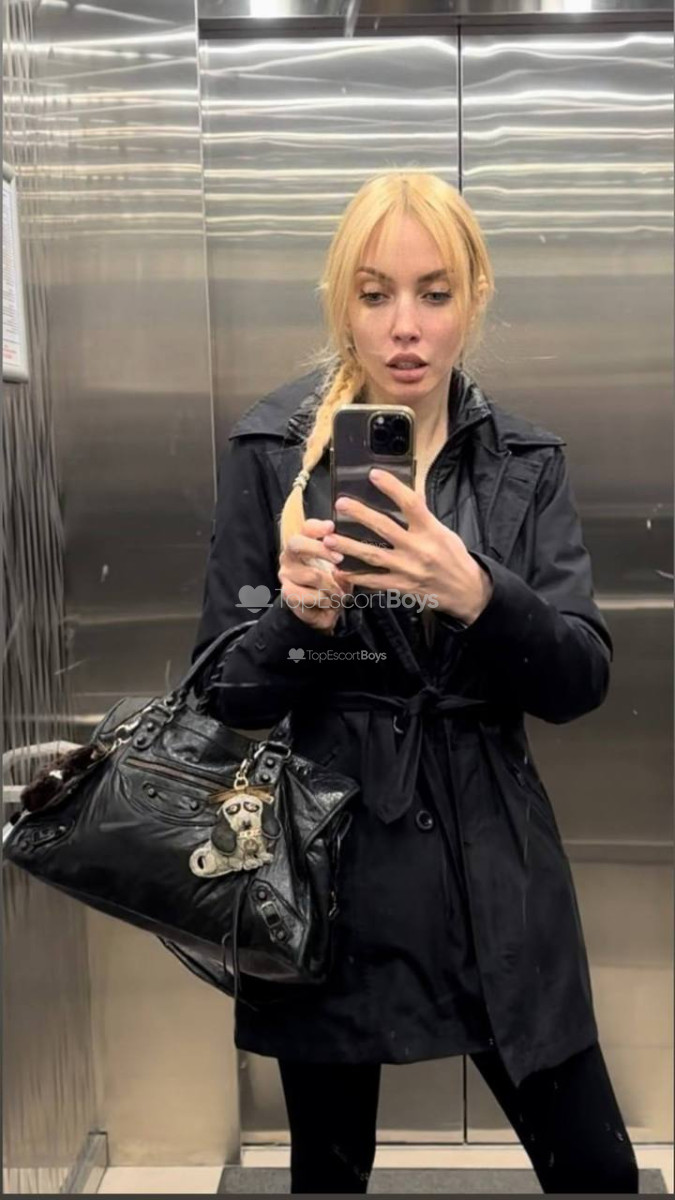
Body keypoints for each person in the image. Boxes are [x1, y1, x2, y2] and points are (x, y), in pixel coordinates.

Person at [192, 171, 638, 1194]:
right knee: (329, 1176)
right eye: (375, 293)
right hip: (326, 869)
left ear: (473, 297)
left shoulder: (524, 462)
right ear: (340, 302)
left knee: (595, 1171)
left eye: (435, 293)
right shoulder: (271, 452)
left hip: (496, 868)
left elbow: (580, 680)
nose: (405, 326)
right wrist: (293, 619)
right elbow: (221, 696)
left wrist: (479, 592)